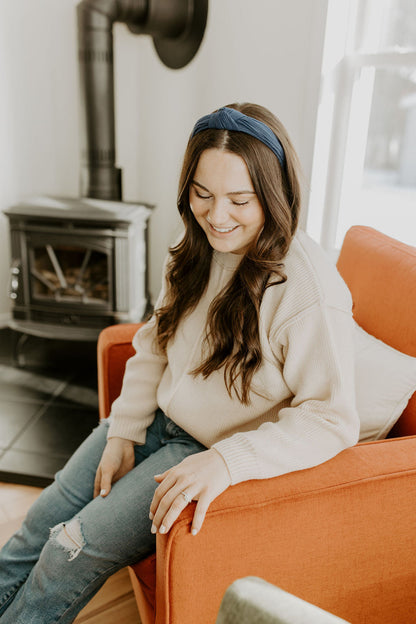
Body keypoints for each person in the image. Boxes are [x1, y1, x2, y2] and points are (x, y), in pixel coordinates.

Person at [0, 103, 359, 623]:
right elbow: (154, 342)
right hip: (157, 423)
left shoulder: (306, 290)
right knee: (38, 526)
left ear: (275, 194)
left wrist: (226, 461)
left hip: (204, 450)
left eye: (240, 200)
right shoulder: (195, 243)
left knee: (65, 552)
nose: (217, 216)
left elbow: (332, 417)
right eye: (202, 194)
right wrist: (124, 430)